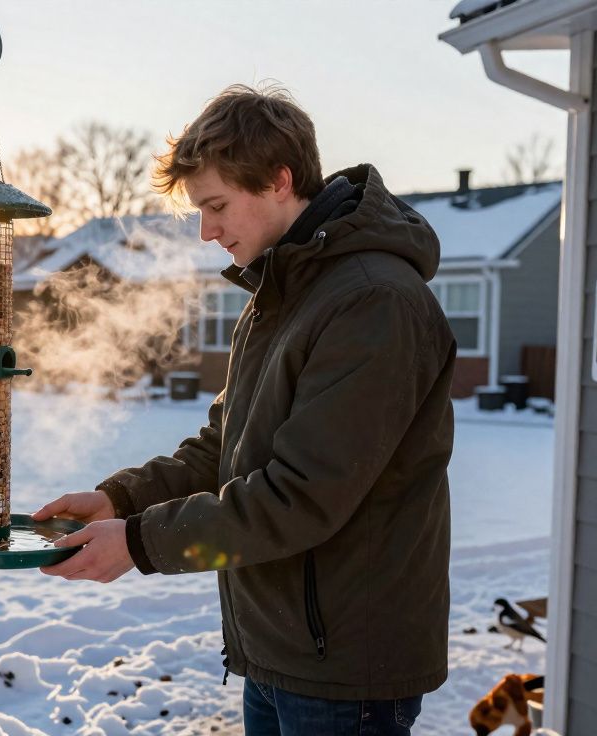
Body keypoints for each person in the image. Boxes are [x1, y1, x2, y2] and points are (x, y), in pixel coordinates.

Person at [33, 83, 455, 735]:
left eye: (217, 205)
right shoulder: (281, 295)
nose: (207, 231)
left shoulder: (374, 303)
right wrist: (121, 501)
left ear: (280, 180)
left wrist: (141, 545)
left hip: (345, 665)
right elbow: (222, 447)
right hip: (278, 649)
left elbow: (301, 495)